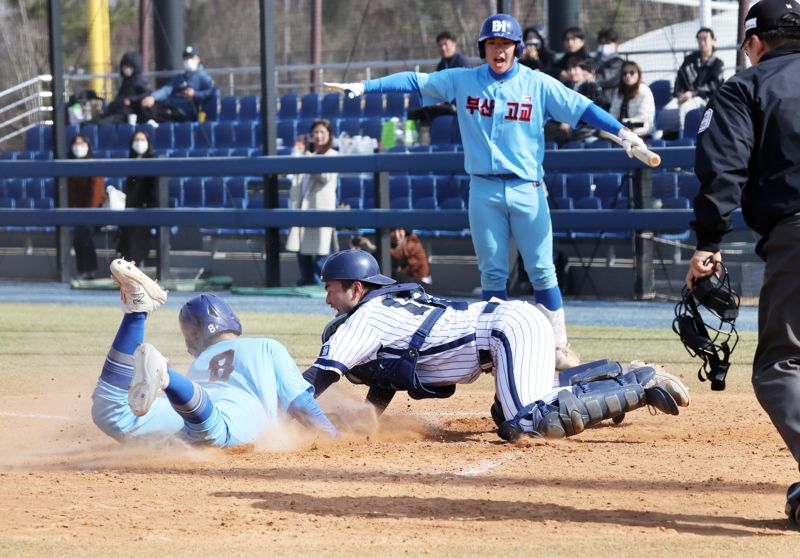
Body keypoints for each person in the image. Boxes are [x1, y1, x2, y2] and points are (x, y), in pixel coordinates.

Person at [323, 13, 651, 369]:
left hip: (527, 188)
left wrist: (622, 133)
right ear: (483, 48)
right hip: (484, 189)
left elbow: (581, 108)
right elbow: (416, 82)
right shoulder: (465, 80)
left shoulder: (538, 83)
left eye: (506, 44)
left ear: (517, 49)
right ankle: (493, 349)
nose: (499, 50)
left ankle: (558, 345)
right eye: (493, 44)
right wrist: (365, 86)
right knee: (493, 274)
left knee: (542, 271)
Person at [301, 250, 689, 441]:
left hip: (505, 331)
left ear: (355, 288)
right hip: (508, 329)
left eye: (330, 288)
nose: (327, 299)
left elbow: (318, 377)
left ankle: (638, 384)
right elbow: (385, 382)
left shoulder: (365, 317)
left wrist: (284, 412)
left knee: (527, 423)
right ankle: (611, 374)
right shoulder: (385, 309)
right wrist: (364, 423)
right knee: (508, 411)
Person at [683, 0, 800, 524]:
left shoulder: (744, 87)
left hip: (795, 232)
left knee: (780, 368)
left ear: (753, 44)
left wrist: (708, 241)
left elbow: (723, 168)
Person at [91, 258, 338, 447]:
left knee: (112, 412)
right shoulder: (267, 346)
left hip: (194, 403)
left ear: (192, 343)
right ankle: (165, 376)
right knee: (212, 432)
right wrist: (332, 438)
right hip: (236, 414)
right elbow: (303, 405)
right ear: (232, 322)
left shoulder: (199, 362)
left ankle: (136, 312)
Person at [285, 119, 338, 286]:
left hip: (321, 210)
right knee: (302, 252)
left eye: (322, 132)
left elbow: (326, 177)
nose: (318, 136)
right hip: (304, 209)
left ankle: (323, 285)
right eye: (315, 132)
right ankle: (307, 281)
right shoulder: (309, 155)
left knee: (321, 253)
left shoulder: (332, 155)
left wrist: (307, 158)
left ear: (329, 135)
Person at [662, 28, 724, 135]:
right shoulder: (689, 60)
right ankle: (665, 138)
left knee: (684, 109)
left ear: (713, 40)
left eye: (705, 38)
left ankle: (682, 137)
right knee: (667, 109)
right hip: (684, 96)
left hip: (704, 98)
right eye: (699, 39)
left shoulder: (718, 64)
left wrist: (693, 93)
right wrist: (679, 95)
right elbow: (680, 79)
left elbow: (713, 86)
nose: (702, 42)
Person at [139, 46, 216, 123]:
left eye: (191, 57)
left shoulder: (203, 77)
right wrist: (153, 97)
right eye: (186, 58)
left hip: (186, 113)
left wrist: (195, 94)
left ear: (197, 59)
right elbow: (167, 90)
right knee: (148, 106)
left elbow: (213, 91)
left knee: (158, 114)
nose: (188, 60)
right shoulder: (180, 77)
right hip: (172, 106)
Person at [67, 134, 106, 280]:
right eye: (76, 143)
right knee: (79, 233)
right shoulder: (67, 167)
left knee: (83, 233)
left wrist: (87, 213)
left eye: (82, 143)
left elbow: (96, 195)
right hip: (75, 213)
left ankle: (89, 270)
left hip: (93, 213)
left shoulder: (94, 166)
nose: (78, 147)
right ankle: (83, 270)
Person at [117, 131, 157, 266]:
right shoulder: (130, 160)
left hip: (147, 207)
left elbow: (154, 189)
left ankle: (136, 263)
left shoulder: (153, 159)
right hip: (131, 206)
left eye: (142, 139)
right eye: (136, 140)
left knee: (137, 231)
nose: (139, 143)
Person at [100, 52, 151, 125]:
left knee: (101, 123)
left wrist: (131, 100)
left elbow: (148, 94)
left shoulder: (138, 80)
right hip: (118, 111)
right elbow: (120, 98)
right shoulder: (126, 80)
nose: (126, 68)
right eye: (125, 65)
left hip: (127, 115)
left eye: (129, 66)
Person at [607, 61, 655, 138]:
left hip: (640, 129)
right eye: (624, 73)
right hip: (621, 129)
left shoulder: (644, 91)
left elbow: (644, 116)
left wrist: (627, 122)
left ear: (638, 75)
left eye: (632, 73)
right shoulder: (618, 92)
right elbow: (613, 113)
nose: (628, 76)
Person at [592, 28, 625, 103]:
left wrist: (591, 79)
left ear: (616, 44)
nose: (604, 46)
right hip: (597, 99)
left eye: (607, 43)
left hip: (611, 101)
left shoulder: (617, 61)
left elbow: (605, 79)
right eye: (601, 43)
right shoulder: (596, 59)